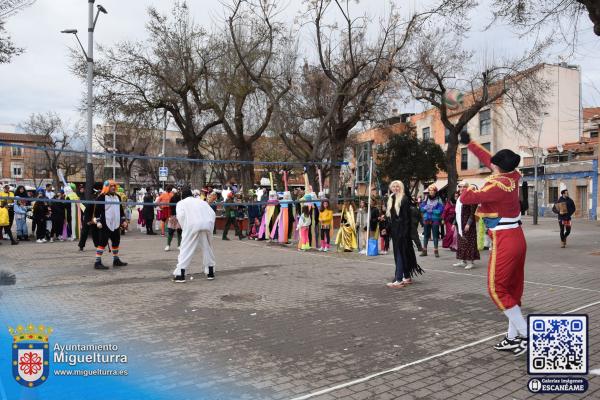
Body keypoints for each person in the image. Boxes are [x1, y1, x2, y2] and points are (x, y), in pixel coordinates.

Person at [459, 132, 529, 356]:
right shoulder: (514, 175)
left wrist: (467, 187)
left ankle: (527, 336)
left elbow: (467, 198)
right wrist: (469, 143)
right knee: (512, 290)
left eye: (493, 165)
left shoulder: (496, 186)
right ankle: (512, 337)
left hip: (505, 239)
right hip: (517, 236)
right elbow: (488, 157)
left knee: (496, 289)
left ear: (498, 167)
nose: (490, 164)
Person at [172, 187, 216, 283]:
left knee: (186, 248)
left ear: (182, 196)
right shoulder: (201, 202)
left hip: (191, 226)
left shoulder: (181, 203)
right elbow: (212, 213)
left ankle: (180, 274)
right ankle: (210, 271)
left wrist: (185, 228)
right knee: (207, 248)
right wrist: (209, 225)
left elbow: (181, 216)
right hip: (206, 225)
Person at [386, 180, 423, 288]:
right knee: (402, 254)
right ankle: (406, 277)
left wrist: (404, 232)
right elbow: (392, 217)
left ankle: (398, 280)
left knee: (400, 254)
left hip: (402, 232)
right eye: (393, 186)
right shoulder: (391, 198)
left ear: (401, 187)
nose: (395, 188)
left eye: (397, 186)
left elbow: (406, 218)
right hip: (395, 231)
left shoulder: (404, 199)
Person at [92, 181, 128, 270]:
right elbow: (96, 212)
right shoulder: (101, 197)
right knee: (102, 243)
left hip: (116, 224)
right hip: (105, 224)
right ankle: (97, 262)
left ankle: (116, 260)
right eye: (111, 186)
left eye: (114, 186)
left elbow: (120, 210)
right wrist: (98, 221)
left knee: (116, 242)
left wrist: (123, 220)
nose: (113, 187)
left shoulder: (118, 197)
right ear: (107, 187)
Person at [454, 181, 480, 270]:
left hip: (468, 224)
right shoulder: (459, 198)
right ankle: (463, 261)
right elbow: (457, 212)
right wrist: (455, 223)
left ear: (467, 187)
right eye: (460, 186)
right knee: (461, 242)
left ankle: (471, 262)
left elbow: (472, 213)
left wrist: (468, 223)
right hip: (460, 223)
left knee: (469, 242)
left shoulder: (471, 197)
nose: (461, 188)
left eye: (463, 187)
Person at [419, 185, 444, 257]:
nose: (431, 192)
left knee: (435, 235)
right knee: (426, 235)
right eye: (429, 190)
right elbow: (421, 208)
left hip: (435, 218)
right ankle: (424, 251)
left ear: (435, 191)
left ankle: (436, 251)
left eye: (432, 190)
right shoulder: (426, 199)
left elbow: (441, 210)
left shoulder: (439, 199)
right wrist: (425, 208)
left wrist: (433, 210)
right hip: (427, 218)